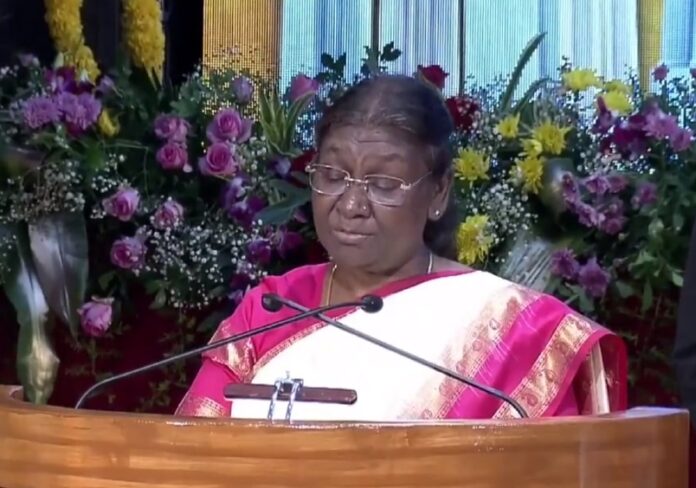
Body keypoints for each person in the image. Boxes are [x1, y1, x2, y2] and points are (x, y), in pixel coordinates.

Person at [176, 75, 627, 420]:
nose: (350, 205)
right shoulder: (269, 311)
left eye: (384, 183)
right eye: (332, 176)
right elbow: (194, 457)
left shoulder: (513, 329)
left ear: (438, 193)